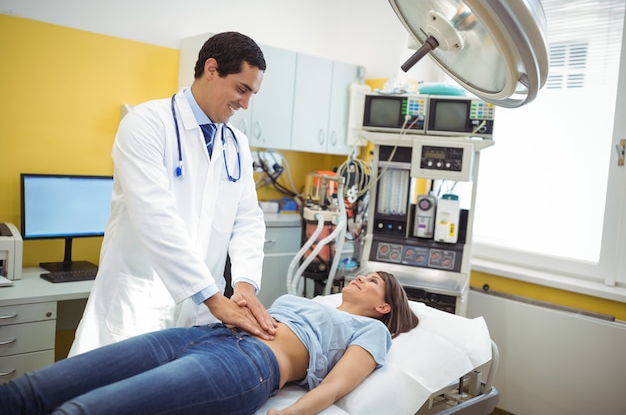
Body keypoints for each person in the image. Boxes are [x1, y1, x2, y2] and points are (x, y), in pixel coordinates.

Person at [70, 31, 276, 357]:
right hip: (139, 301)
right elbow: (155, 218)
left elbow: (248, 219)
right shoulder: (147, 124)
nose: (246, 104)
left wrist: (245, 285)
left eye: (252, 93)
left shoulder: (236, 144)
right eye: (241, 89)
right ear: (211, 69)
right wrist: (211, 297)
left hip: (201, 311)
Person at [1, 271, 419, 415]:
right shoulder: (309, 301)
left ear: (384, 307)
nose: (363, 277)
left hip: (248, 364)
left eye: (375, 281)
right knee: (28, 391)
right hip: (202, 334)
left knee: (81, 410)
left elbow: (337, 385)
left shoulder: (373, 332)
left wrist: (294, 412)